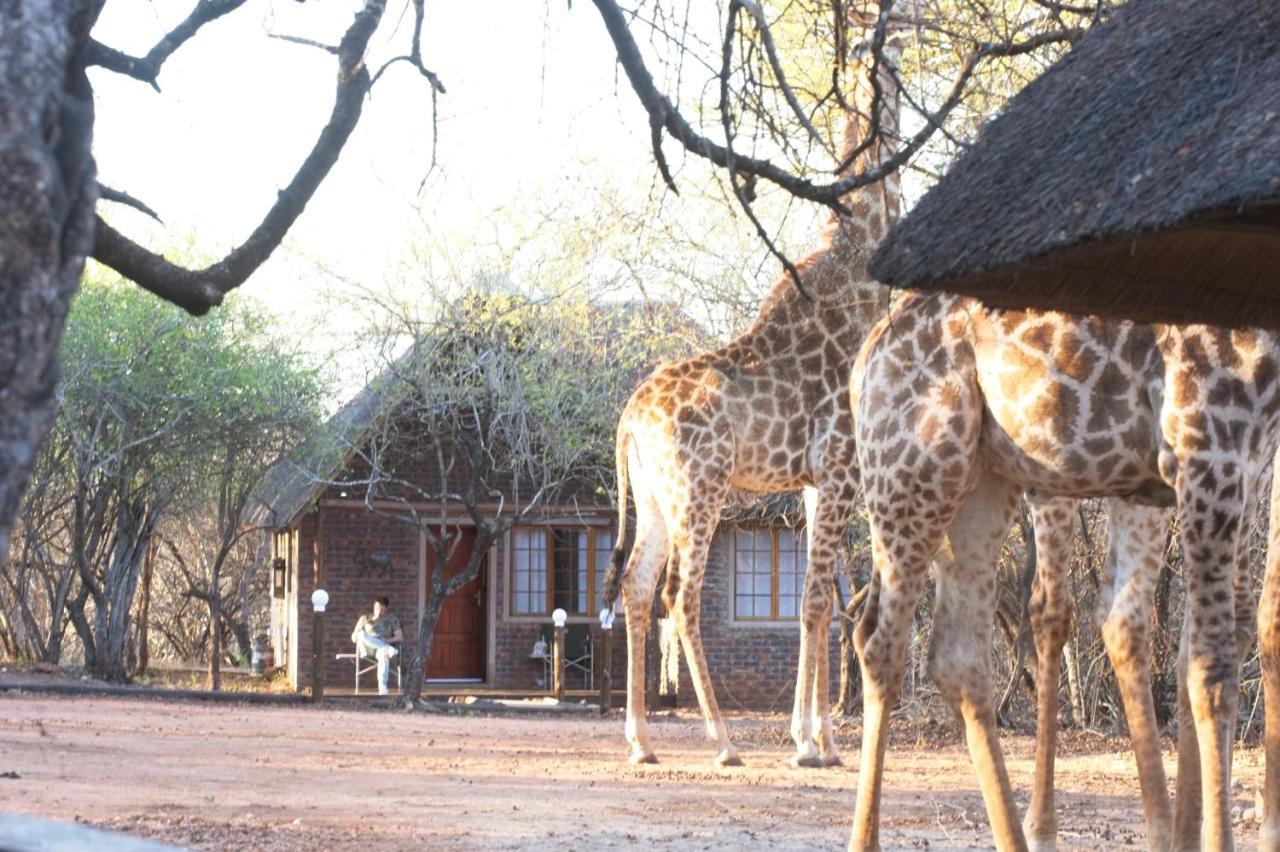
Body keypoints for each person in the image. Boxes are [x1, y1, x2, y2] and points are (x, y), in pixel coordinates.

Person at [351, 596, 403, 695]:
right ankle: (388, 649)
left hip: (382, 647)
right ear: (374, 607)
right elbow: (354, 638)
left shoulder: (391, 620)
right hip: (367, 649)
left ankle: (382, 687)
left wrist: (387, 639)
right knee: (362, 634)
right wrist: (361, 636)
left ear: (386, 609)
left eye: (382, 610)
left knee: (383, 654)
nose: (379, 612)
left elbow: (400, 637)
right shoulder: (364, 619)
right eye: (377, 608)